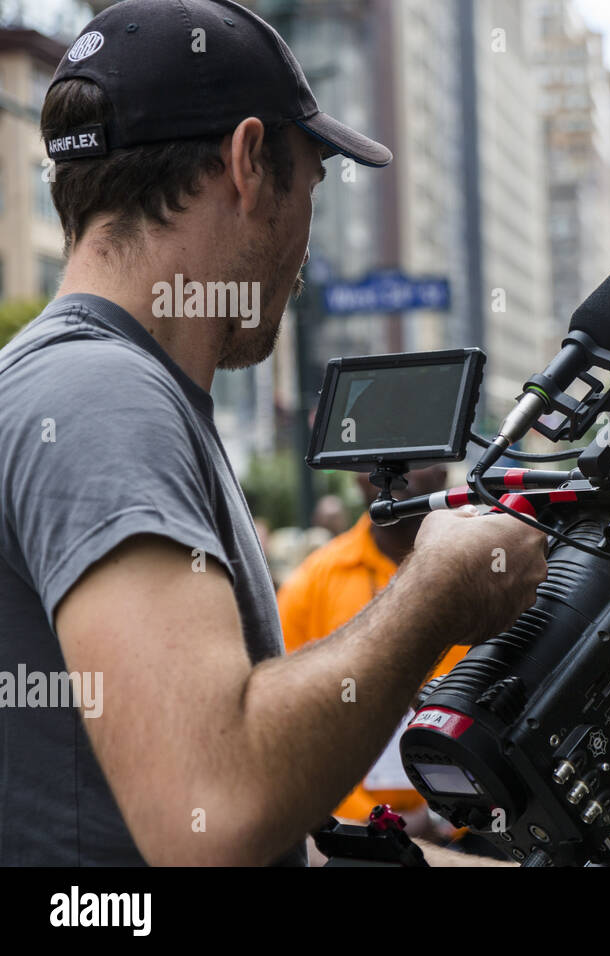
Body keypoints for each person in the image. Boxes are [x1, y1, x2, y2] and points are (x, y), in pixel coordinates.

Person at [0, 0, 547, 866]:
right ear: (250, 162)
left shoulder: (98, 384)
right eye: (312, 189)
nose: (303, 252)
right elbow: (214, 813)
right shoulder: (102, 396)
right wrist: (441, 586)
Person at [278, 466, 468, 836]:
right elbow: (286, 728)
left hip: (471, 835)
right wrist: (369, 824)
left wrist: (443, 821)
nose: (396, 469)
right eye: (377, 459)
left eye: (415, 454)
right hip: (345, 837)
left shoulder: (481, 574)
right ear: (355, 477)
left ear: (443, 470)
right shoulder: (313, 583)